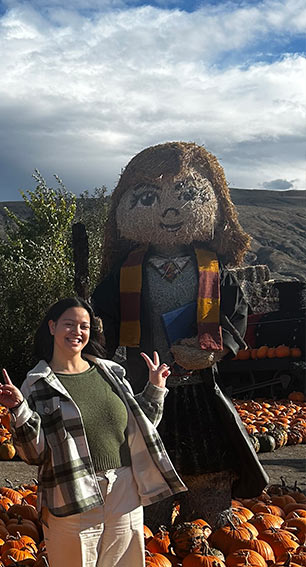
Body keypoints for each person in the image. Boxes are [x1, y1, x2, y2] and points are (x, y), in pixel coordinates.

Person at [91, 142, 268, 529]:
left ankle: (206, 515)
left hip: (198, 385)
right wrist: (95, 330)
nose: (170, 210)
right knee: (146, 466)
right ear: (124, 209)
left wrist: (214, 350)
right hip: (146, 385)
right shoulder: (123, 275)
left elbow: (235, 315)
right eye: (149, 197)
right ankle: (148, 524)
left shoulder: (214, 271)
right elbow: (101, 322)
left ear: (214, 204)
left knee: (208, 464)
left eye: (188, 194)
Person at [0, 297, 186, 567]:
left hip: (124, 488)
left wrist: (155, 387)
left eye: (85, 326)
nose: (77, 331)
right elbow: (34, 453)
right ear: (52, 327)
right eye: (69, 324)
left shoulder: (110, 373)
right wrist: (19, 410)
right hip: (71, 492)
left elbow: (139, 427)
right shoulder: (37, 385)